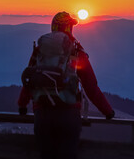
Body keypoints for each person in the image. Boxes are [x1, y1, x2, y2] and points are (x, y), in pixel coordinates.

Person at [18, 11, 115, 159]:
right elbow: (90, 86)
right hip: (69, 115)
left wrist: (22, 105)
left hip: (42, 115)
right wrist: (107, 111)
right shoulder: (76, 52)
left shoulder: (40, 51)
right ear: (69, 28)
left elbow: (31, 80)